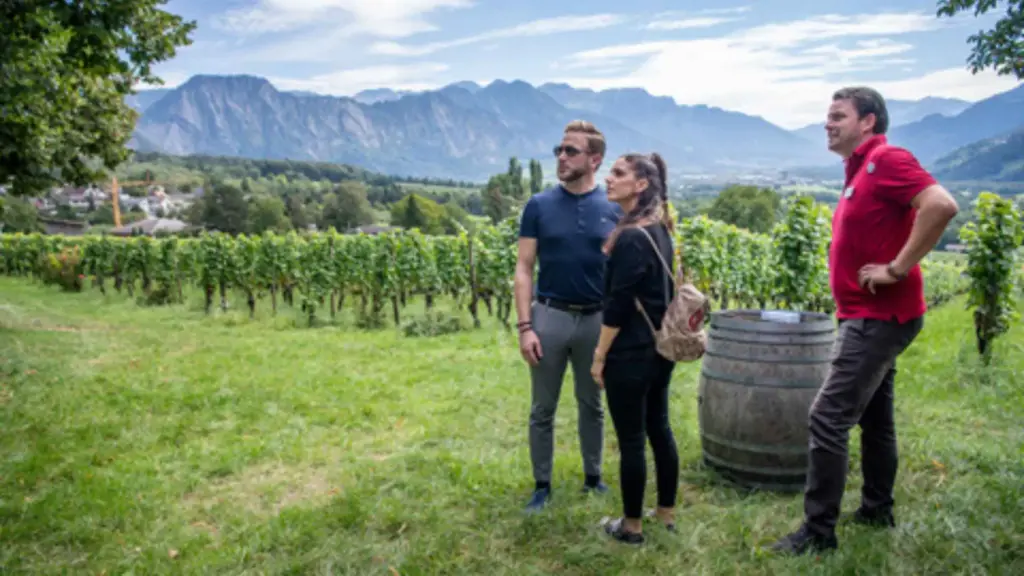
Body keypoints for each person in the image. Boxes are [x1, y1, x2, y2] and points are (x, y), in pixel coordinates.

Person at [771, 86, 959, 555]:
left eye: (838, 115)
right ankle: (877, 507)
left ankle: (818, 534)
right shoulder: (859, 168)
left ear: (868, 121)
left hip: (878, 316)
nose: (827, 123)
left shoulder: (888, 159)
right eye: (827, 115)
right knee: (875, 418)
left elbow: (941, 205)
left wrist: (896, 268)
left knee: (828, 417)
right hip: (866, 313)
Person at [515, 120, 622, 512]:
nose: (561, 157)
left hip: (596, 321)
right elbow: (524, 268)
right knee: (542, 408)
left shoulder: (613, 206)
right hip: (550, 317)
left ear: (594, 159)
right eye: (559, 150)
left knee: (591, 403)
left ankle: (593, 479)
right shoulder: (539, 206)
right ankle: (541, 485)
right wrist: (526, 327)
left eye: (570, 151)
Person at [590, 152, 679, 545]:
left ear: (640, 185)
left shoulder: (629, 238)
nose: (608, 179)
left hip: (630, 353)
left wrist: (599, 355)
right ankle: (665, 511)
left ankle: (631, 526)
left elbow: (618, 306)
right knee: (659, 427)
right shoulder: (659, 228)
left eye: (618, 173)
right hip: (661, 348)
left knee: (631, 439)